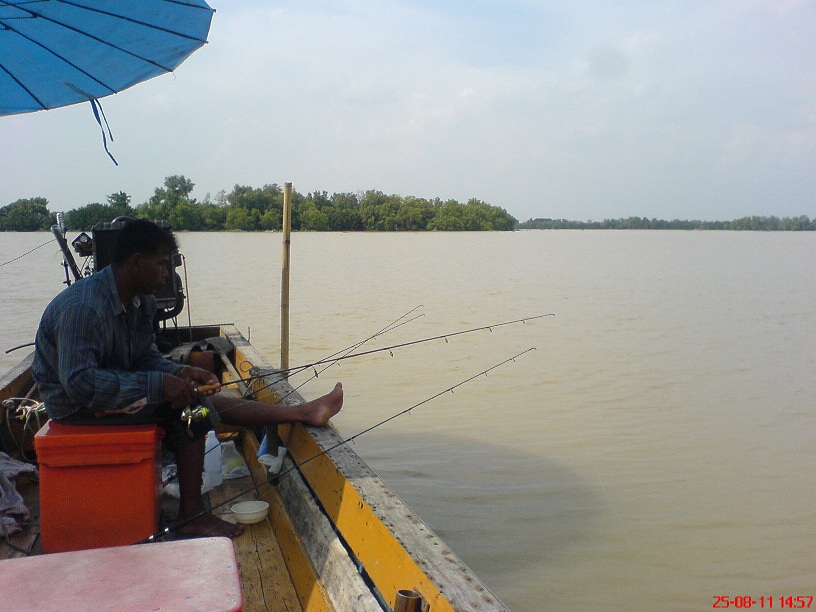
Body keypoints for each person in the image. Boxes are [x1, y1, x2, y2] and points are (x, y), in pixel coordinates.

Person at [32, 219, 343, 538]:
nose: (168, 273)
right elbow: (80, 383)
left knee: (199, 405)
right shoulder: (83, 308)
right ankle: (192, 516)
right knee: (192, 413)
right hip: (76, 408)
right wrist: (158, 385)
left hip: (112, 394)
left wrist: (180, 372)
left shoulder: (141, 302)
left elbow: (145, 358)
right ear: (137, 262)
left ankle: (301, 413)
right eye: (162, 264)